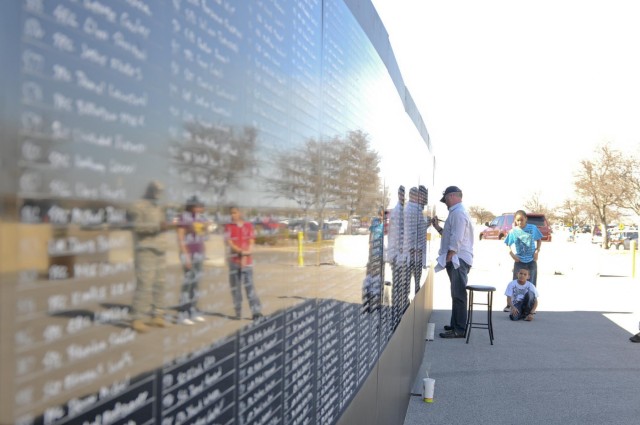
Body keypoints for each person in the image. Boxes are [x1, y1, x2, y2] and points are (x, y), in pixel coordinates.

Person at [431, 186, 474, 339]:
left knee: (459, 294)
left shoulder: (458, 213)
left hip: (458, 259)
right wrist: (437, 227)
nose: (446, 203)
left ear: (452, 196)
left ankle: (460, 329)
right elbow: (450, 235)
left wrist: (451, 253)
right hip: (458, 258)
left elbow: (457, 237)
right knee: (456, 293)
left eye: (446, 200)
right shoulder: (456, 213)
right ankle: (455, 324)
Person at [129, 181, 169, 333]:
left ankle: (157, 315)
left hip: (160, 248)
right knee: (144, 284)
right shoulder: (138, 206)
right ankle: (137, 318)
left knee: (160, 283)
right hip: (145, 249)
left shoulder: (158, 206)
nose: (157, 195)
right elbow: (137, 227)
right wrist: (158, 226)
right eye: (155, 191)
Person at [224, 206, 263, 320]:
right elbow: (230, 243)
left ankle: (256, 312)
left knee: (250, 287)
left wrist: (246, 254)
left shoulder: (248, 226)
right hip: (234, 261)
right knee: (236, 288)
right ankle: (238, 311)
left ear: (240, 213)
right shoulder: (228, 227)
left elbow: (251, 242)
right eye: (231, 213)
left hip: (247, 262)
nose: (233, 215)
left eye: (235, 213)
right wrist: (240, 252)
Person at [176, 196, 209, 325]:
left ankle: (192, 310)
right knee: (188, 283)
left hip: (198, 253)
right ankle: (182, 313)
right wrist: (186, 256)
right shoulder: (184, 217)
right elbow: (180, 237)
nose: (200, 209)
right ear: (191, 206)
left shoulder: (199, 218)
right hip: (188, 253)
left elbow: (202, 236)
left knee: (196, 284)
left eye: (201, 206)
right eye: (198, 206)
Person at [503, 210, 542, 312]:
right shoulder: (513, 231)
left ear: (526, 219)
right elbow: (507, 243)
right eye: (518, 220)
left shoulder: (532, 228)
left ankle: (530, 306)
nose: (520, 222)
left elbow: (539, 239)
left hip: (531, 260)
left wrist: (537, 250)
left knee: (531, 284)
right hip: (519, 261)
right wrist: (512, 254)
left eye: (522, 220)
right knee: (516, 284)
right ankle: (511, 305)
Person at [386, 186, 405, 328]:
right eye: (402, 194)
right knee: (397, 285)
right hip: (396, 254)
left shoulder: (401, 210)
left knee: (400, 285)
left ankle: (398, 311)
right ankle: (395, 314)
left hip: (399, 254)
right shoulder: (398, 212)